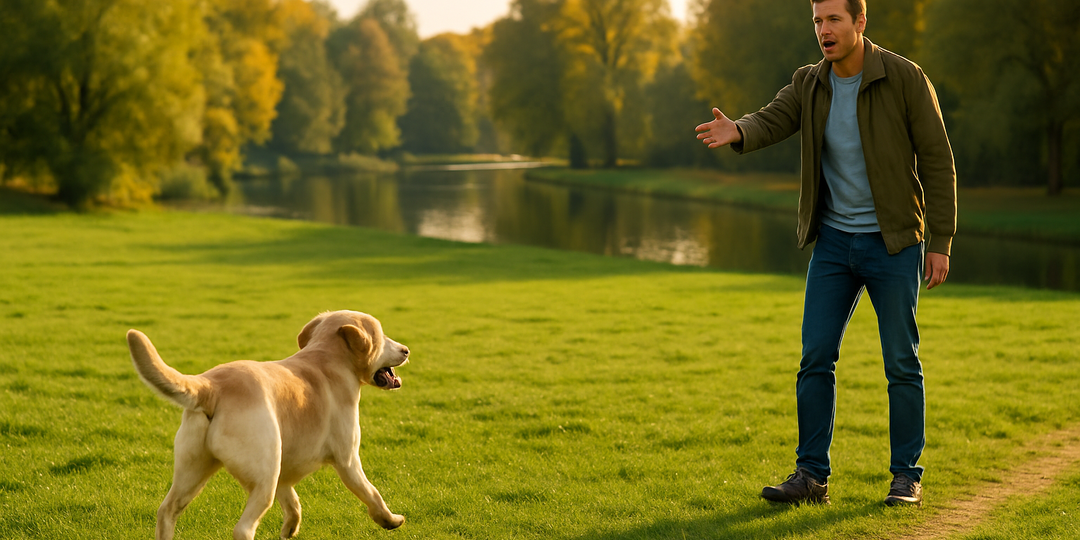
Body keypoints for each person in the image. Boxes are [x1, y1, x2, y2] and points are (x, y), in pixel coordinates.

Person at [694, 0, 956, 507]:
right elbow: (773, 118)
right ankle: (810, 477)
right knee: (815, 356)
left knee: (901, 361)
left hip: (894, 242)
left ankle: (906, 476)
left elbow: (939, 160)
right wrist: (740, 130)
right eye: (817, 20)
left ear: (860, 22)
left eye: (834, 19)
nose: (823, 30)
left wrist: (940, 242)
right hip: (834, 243)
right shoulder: (809, 82)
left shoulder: (904, 78)